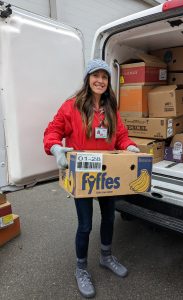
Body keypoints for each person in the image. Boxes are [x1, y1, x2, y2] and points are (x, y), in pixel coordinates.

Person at [43, 59, 140, 298]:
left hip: (107, 173)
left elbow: (121, 137)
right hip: (83, 174)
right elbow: (52, 131)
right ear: (88, 79)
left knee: (108, 217)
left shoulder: (111, 109)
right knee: (85, 225)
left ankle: (106, 257)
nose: (100, 80)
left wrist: (129, 147)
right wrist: (55, 148)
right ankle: (81, 269)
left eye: (104, 76)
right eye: (95, 75)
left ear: (108, 82)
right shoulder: (71, 106)